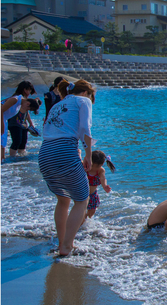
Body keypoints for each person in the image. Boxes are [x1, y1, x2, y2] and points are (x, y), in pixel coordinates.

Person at [39, 79, 96, 256]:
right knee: (82, 200)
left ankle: (62, 243)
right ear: (87, 93)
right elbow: (84, 128)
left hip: (44, 154)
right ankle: (67, 246)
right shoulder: (83, 101)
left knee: (63, 200)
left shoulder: (59, 103)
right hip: (64, 152)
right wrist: (88, 155)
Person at [1, 81, 37, 161]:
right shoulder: (16, 99)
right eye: (29, 90)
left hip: (8, 121)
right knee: (10, 141)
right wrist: (2, 125)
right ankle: (8, 160)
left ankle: (5, 161)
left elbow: (26, 112)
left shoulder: (22, 100)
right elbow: (1, 109)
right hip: (8, 122)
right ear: (25, 89)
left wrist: (30, 124)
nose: (30, 92)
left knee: (4, 143)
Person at [83, 150, 116, 222]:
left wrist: (105, 186)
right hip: (82, 194)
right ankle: (79, 222)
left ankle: (84, 223)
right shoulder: (85, 167)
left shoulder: (101, 170)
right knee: (81, 210)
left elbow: (103, 178)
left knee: (92, 212)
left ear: (102, 164)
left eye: (97, 166)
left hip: (92, 194)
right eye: (92, 165)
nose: (94, 168)